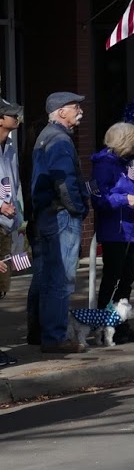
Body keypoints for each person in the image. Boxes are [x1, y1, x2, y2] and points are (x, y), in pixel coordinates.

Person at [29, 91, 90, 354]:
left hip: (47, 214)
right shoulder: (59, 140)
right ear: (61, 111)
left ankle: (41, 332)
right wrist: (78, 208)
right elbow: (64, 182)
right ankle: (54, 336)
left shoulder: (46, 136)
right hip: (60, 215)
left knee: (46, 276)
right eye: (76, 107)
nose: (81, 112)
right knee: (60, 278)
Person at [90, 122, 134, 343]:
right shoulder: (103, 166)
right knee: (112, 279)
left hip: (133, 229)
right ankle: (102, 325)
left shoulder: (131, 163)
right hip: (115, 231)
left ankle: (121, 324)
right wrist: (125, 199)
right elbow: (98, 198)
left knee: (127, 280)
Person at [0, 99, 21, 365]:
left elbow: (14, 186)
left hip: (6, 225)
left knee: (2, 287)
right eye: (12, 114)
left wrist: (18, 218)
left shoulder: (10, 149)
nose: (17, 118)